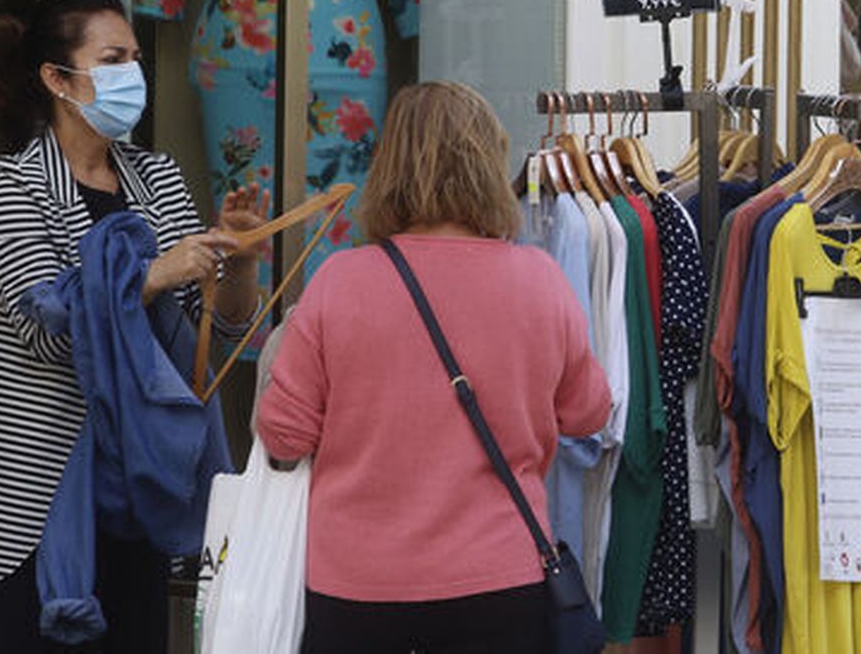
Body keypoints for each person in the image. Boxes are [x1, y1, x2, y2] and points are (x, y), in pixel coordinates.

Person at [0, 0, 267, 652]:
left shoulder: (156, 178)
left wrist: (238, 264)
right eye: (112, 59)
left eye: (133, 56)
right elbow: (48, 330)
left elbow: (209, 338)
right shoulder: (9, 187)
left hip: (138, 497)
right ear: (56, 78)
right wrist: (158, 272)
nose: (132, 73)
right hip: (38, 507)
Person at [255, 81, 612, 654]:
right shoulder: (540, 281)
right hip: (501, 580)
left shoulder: (340, 283)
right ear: (488, 165)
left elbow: (285, 434)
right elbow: (587, 412)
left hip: (357, 589)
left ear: (388, 167)